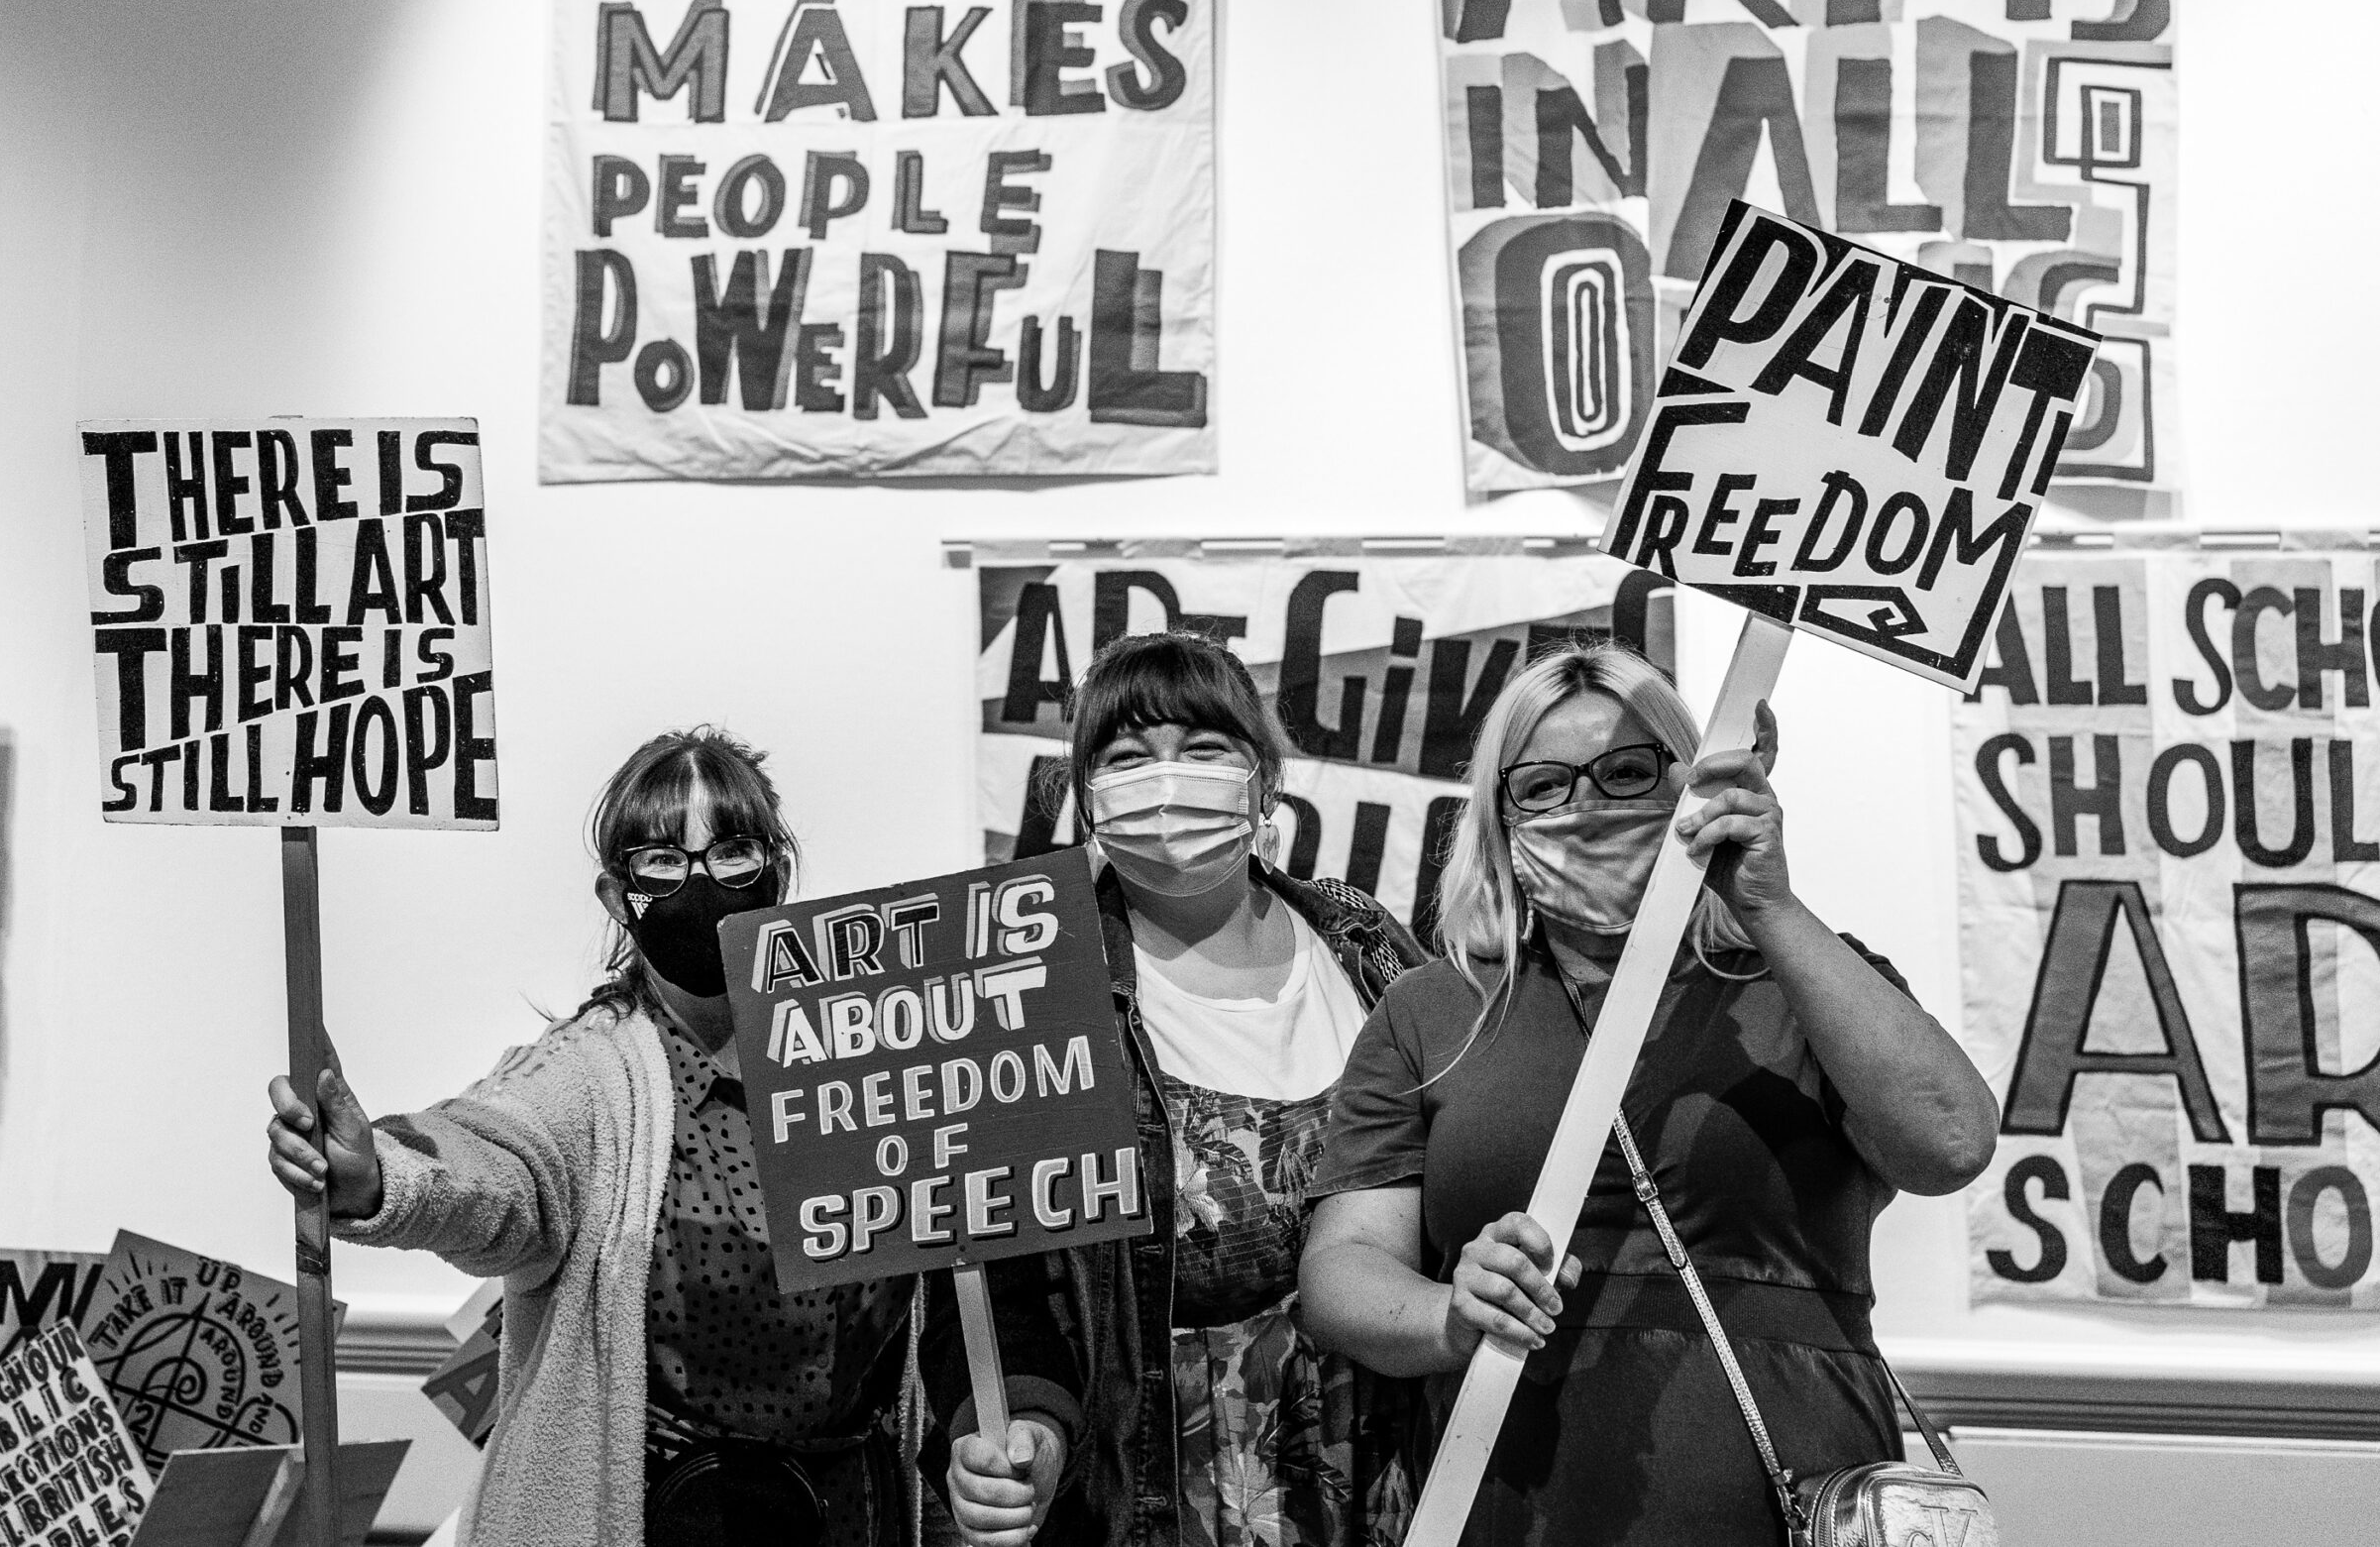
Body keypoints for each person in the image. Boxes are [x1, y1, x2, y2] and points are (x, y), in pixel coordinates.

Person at [1297, 641, 2000, 1546]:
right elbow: (1341, 1265)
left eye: (1628, 772)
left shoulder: (1803, 980)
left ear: (1690, 786)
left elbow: (1951, 1142)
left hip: (1788, 1491)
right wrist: (1447, 1312)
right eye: (1545, 785)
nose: (1588, 805)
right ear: (1499, 818)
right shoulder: (1436, 1009)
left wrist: (1768, 906)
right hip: (1512, 1495)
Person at [265, 727, 923, 1547]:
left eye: (731, 853)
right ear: (618, 897)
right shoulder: (589, 1074)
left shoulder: (866, 1058)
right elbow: (498, 1165)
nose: (699, 881)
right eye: (661, 861)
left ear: (774, 876)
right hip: (651, 1518)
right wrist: (380, 1177)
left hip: (852, 1520)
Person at [937, 632, 1429, 1547]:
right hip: (1166, 1499)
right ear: (1085, 798)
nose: (1167, 781)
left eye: (1203, 749)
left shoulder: (1359, 939)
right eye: (1128, 757)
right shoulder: (1035, 984)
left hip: (1396, 1479)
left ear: (1263, 778)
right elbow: (1001, 1276)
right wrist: (1019, 1424)